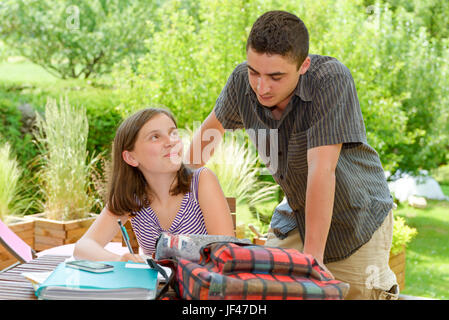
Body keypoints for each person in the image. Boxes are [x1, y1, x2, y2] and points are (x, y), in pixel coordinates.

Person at [187, 11, 398, 299]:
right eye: (254, 72)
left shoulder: (330, 80)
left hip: (357, 220)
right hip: (298, 214)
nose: (261, 87)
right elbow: (205, 141)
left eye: (275, 76)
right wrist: (163, 186)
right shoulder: (241, 83)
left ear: (304, 65)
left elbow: (321, 171)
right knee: (257, 292)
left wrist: (312, 262)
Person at [74, 108, 235, 263]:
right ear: (130, 157)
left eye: (173, 133)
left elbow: (225, 251)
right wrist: (119, 259)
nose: (171, 142)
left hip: (203, 287)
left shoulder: (201, 180)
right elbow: (83, 247)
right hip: (157, 290)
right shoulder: (132, 196)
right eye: (155, 137)